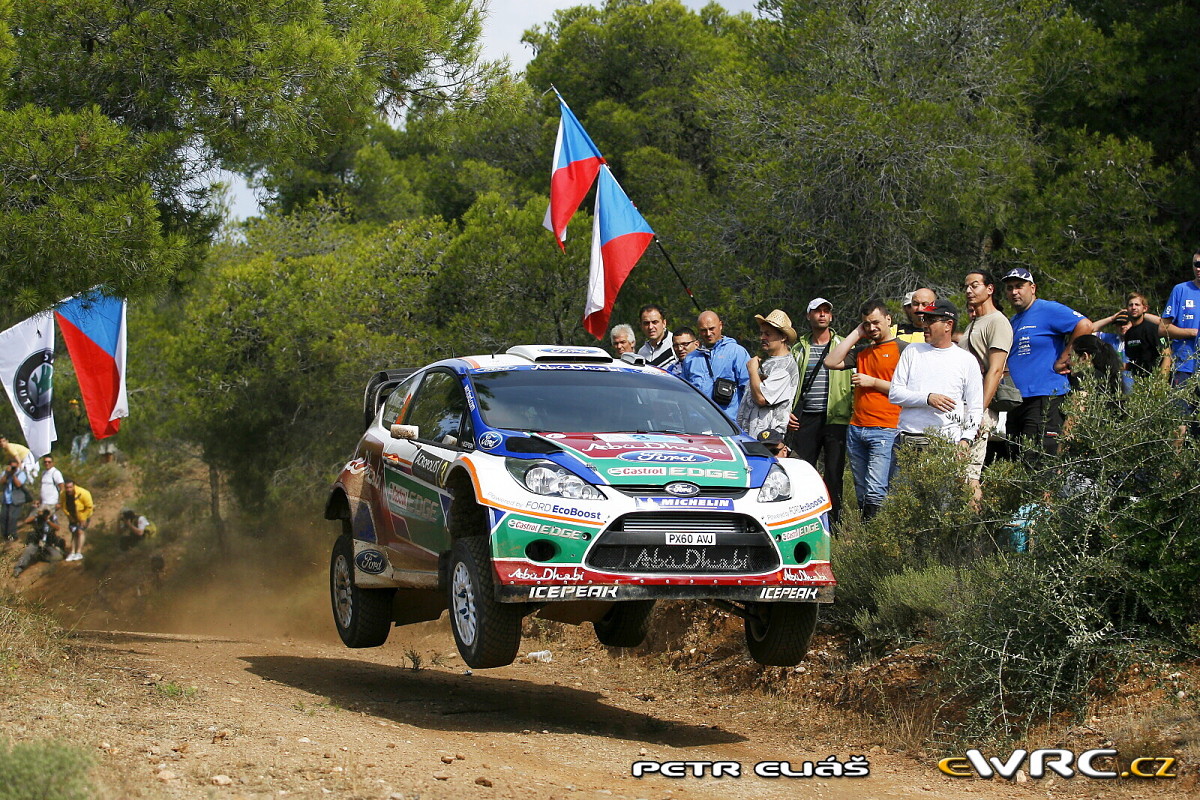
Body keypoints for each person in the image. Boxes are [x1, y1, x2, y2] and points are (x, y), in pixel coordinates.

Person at [825, 300, 908, 520]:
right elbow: (831, 362)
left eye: (876, 322)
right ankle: (867, 536)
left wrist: (873, 382)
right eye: (866, 324)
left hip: (886, 428)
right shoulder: (862, 351)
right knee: (862, 490)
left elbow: (910, 391)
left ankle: (875, 538)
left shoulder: (904, 349)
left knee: (876, 490)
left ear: (888, 319)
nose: (872, 328)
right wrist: (856, 334)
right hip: (857, 428)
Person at [1002, 268, 1092, 458]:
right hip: (1017, 400)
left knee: (1037, 459)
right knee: (1015, 459)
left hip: (1045, 396)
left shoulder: (1047, 309)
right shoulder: (1013, 320)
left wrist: (1065, 357)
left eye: (1019, 286)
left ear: (1032, 288)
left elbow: (1085, 325)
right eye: (1010, 288)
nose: (1014, 292)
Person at [889, 299, 983, 460]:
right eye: (924, 319)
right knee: (901, 486)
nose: (925, 325)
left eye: (931, 320)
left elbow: (975, 407)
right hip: (908, 439)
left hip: (946, 443)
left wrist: (966, 439)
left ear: (948, 325)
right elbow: (894, 394)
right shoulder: (912, 351)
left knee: (944, 487)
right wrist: (927, 398)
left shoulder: (966, 360)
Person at [787, 298, 853, 526]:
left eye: (826, 311)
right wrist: (788, 412)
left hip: (836, 416)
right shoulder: (798, 349)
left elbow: (853, 383)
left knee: (834, 474)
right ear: (808, 316)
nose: (822, 315)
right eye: (817, 311)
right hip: (806, 419)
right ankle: (805, 522)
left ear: (831, 317)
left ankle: (834, 524)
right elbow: (789, 384)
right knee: (804, 472)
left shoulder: (844, 345)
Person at [959, 270, 1013, 499]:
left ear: (989, 289)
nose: (969, 291)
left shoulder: (997, 321)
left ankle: (976, 531)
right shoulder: (976, 322)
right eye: (966, 287)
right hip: (960, 406)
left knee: (969, 475)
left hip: (978, 407)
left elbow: (996, 369)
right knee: (958, 473)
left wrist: (978, 412)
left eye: (975, 285)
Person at [737, 310, 800, 439]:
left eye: (768, 334)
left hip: (767, 440)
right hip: (751, 436)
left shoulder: (785, 367)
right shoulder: (769, 362)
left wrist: (752, 370)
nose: (762, 338)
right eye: (761, 333)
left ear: (783, 337)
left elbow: (761, 398)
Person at [681, 310, 751, 420]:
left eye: (711, 329)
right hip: (697, 425)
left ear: (720, 325)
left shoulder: (736, 352)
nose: (708, 334)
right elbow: (684, 394)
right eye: (703, 330)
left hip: (728, 425)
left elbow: (749, 391)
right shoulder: (690, 359)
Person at [1160, 252, 1200, 434]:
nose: (1199, 269)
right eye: (1197, 264)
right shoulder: (1181, 290)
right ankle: (1176, 461)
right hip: (1184, 365)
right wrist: (1189, 332)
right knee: (1179, 419)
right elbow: (1163, 328)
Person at [12, 507, 65, 577]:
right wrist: (38, 515)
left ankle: (41, 556)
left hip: (48, 543)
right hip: (36, 541)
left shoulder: (52, 517)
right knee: (28, 550)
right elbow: (27, 521)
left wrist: (48, 520)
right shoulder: (37, 518)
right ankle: (18, 568)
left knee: (58, 557)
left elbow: (57, 528)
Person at [58, 479, 94, 562]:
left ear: (74, 486)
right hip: (72, 515)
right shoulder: (63, 494)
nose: (69, 489)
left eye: (70, 487)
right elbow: (63, 506)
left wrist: (83, 518)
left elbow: (89, 507)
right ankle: (72, 552)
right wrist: (69, 516)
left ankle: (79, 552)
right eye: (67, 487)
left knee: (80, 531)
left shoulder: (83, 493)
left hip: (84, 514)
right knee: (74, 532)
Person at [636, 305, 677, 369]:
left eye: (654, 322)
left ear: (664, 323)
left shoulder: (676, 344)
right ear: (641, 326)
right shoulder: (641, 352)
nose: (650, 327)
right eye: (646, 323)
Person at [2, 456, 30, 542]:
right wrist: (7, 474)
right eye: (11, 466)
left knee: (13, 518)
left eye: (15, 466)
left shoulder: (21, 473)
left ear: (18, 465)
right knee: (3, 518)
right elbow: (1, 482)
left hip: (16, 500)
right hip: (6, 499)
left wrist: (13, 475)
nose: (13, 468)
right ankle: (5, 536)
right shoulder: (6, 473)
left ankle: (13, 536)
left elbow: (18, 484)